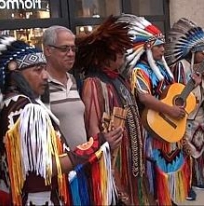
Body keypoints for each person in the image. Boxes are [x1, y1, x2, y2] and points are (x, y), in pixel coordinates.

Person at [0, 31, 115, 205]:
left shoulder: (6, 104)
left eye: (44, 69)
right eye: (37, 70)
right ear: (16, 75)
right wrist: (96, 146)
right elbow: (46, 167)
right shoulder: (29, 110)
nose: (45, 76)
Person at [116, 14, 202, 205]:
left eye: (163, 46)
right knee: (154, 173)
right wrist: (170, 111)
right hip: (151, 131)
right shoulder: (140, 71)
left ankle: (167, 199)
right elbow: (144, 97)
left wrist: (192, 86)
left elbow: (173, 95)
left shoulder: (163, 70)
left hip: (167, 131)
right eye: (159, 46)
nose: (163, 50)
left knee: (169, 173)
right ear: (147, 47)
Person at [42, 25, 123, 205]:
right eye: (64, 48)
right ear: (48, 50)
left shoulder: (72, 80)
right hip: (60, 177)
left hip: (81, 169)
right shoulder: (41, 85)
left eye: (73, 48)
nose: (71, 53)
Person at [75, 15, 151, 205]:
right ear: (107, 55)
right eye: (121, 53)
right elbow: (93, 128)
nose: (124, 57)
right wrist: (108, 165)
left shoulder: (119, 78)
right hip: (115, 161)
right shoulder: (93, 83)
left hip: (133, 160)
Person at [165, 18, 204, 200]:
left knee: (199, 147)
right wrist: (192, 82)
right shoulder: (181, 66)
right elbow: (177, 93)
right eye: (202, 51)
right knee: (185, 151)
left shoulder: (201, 66)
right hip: (185, 118)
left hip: (199, 116)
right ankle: (185, 185)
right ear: (194, 51)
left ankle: (196, 178)